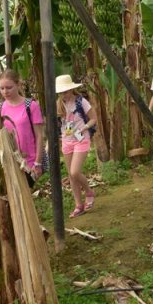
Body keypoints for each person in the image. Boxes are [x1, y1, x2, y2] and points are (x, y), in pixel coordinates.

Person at [55, 74, 97, 218]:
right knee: (71, 176)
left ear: (72, 90)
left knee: (74, 172)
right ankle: (79, 205)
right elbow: (59, 123)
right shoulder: (59, 104)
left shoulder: (81, 101)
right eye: (61, 92)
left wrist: (84, 127)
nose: (63, 95)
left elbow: (94, 118)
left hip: (81, 139)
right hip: (66, 141)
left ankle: (89, 192)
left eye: (66, 91)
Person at [0, 69, 45, 187]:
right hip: (9, 160)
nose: (5, 92)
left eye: (9, 87)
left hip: (28, 161)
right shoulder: (0, 107)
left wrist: (38, 162)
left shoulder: (31, 106)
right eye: (2, 88)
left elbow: (40, 135)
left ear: (18, 85)